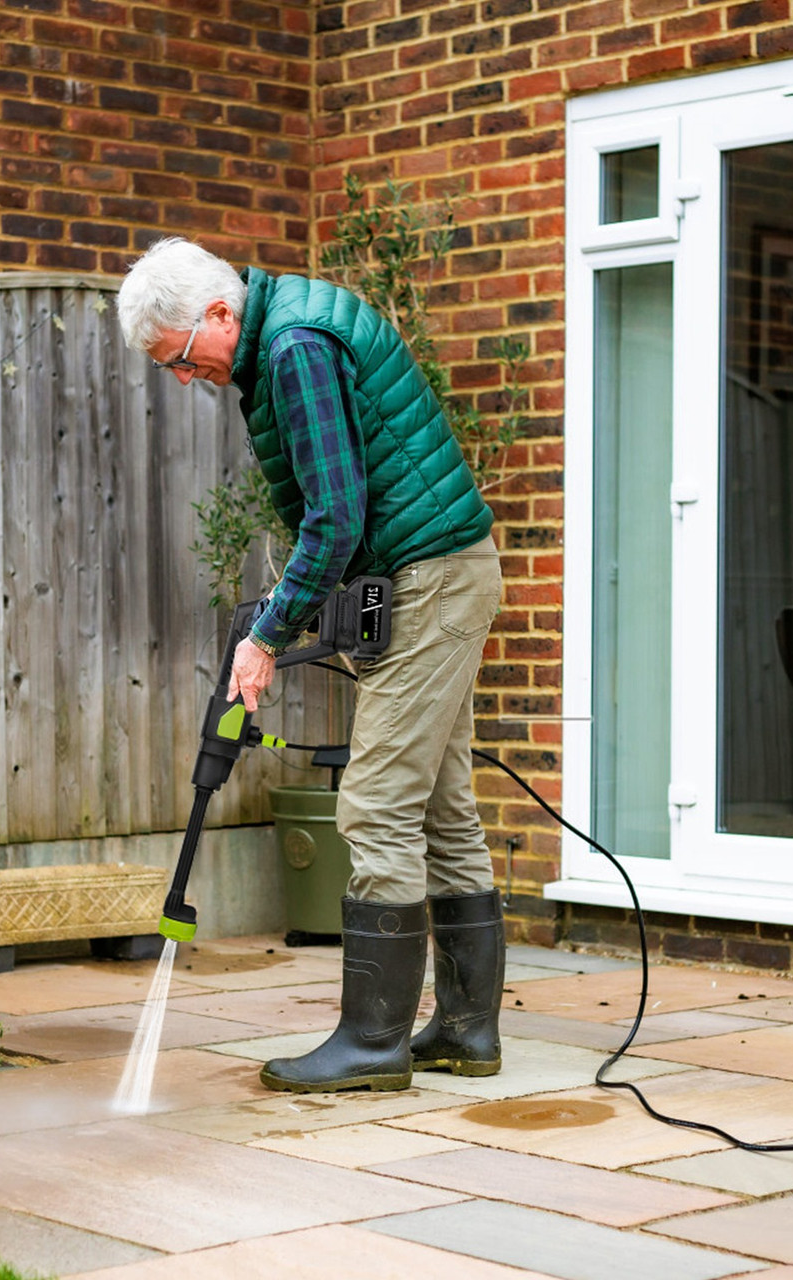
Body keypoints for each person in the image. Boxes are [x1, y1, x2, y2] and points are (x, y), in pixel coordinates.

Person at [116, 237, 506, 1094]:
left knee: (374, 806)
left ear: (220, 314)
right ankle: (468, 1034)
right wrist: (298, 612)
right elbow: (343, 514)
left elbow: (334, 515)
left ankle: (373, 1045)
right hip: (439, 570)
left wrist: (266, 636)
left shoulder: (292, 347)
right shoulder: (286, 331)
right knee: (440, 804)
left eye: (183, 359)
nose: (187, 379)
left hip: (433, 579)